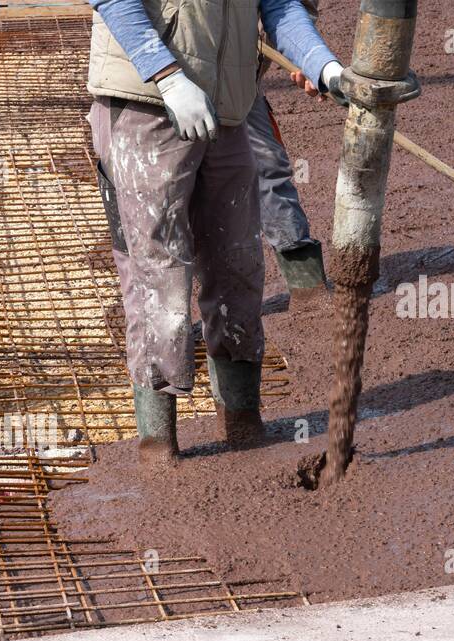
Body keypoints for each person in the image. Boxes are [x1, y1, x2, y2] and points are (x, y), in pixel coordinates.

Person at [86, 0, 344, 464]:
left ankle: (243, 426)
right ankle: (158, 449)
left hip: (226, 109)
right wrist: (167, 75)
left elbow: (280, 4)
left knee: (237, 267)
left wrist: (323, 66)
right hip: (146, 102)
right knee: (157, 277)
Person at [248, 0, 331, 302]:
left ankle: (308, 289)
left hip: (239, 80)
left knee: (267, 170)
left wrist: (310, 61)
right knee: (162, 190)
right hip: (156, 83)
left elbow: (289, 8)